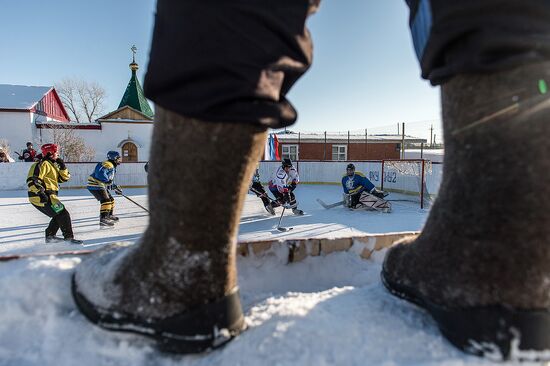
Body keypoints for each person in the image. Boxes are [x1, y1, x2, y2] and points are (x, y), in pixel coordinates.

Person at [72, 0, 550, 359]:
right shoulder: (338, 179)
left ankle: (178, 268)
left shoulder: (344, 177)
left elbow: (325, 183)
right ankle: (502, 255)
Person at [27, 143, 82, 244]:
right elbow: (32, 180)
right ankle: (68, 239)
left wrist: (62, 167)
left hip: (50, 196)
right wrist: (40, 193)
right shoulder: (42, 164)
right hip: (41, 196)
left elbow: (64, 178)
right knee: (63, 214)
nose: (58, 155)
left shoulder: (52, 165)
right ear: (50, 153)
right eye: (56, 152)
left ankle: (50, 236)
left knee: (58, 215)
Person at [87, 151, 123, 227]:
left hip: (99, 185)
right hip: (95, 185)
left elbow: (107, 181)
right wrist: (109, 183)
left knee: (111, 200)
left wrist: (114, 187)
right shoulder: (108, 164)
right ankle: (103, 219)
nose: (120, 160)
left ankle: (109, 215)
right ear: (114, 158)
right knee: (106, 201)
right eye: (118, 158)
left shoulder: (111, 166)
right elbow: (100, 174)